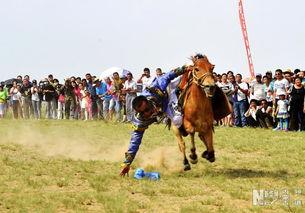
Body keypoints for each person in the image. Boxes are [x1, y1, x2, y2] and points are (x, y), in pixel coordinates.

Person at [120, 65, 190, 176]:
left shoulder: (155, 88)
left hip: (167, 99)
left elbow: (168, 76)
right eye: (144, 112)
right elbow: (135, 140)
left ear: (147, 101)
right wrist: (127, 163)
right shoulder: (140, 120)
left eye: (147, 109)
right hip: (163, 109)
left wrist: (183, 69)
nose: (148, 113)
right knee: (176, 119)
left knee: (177, 119)